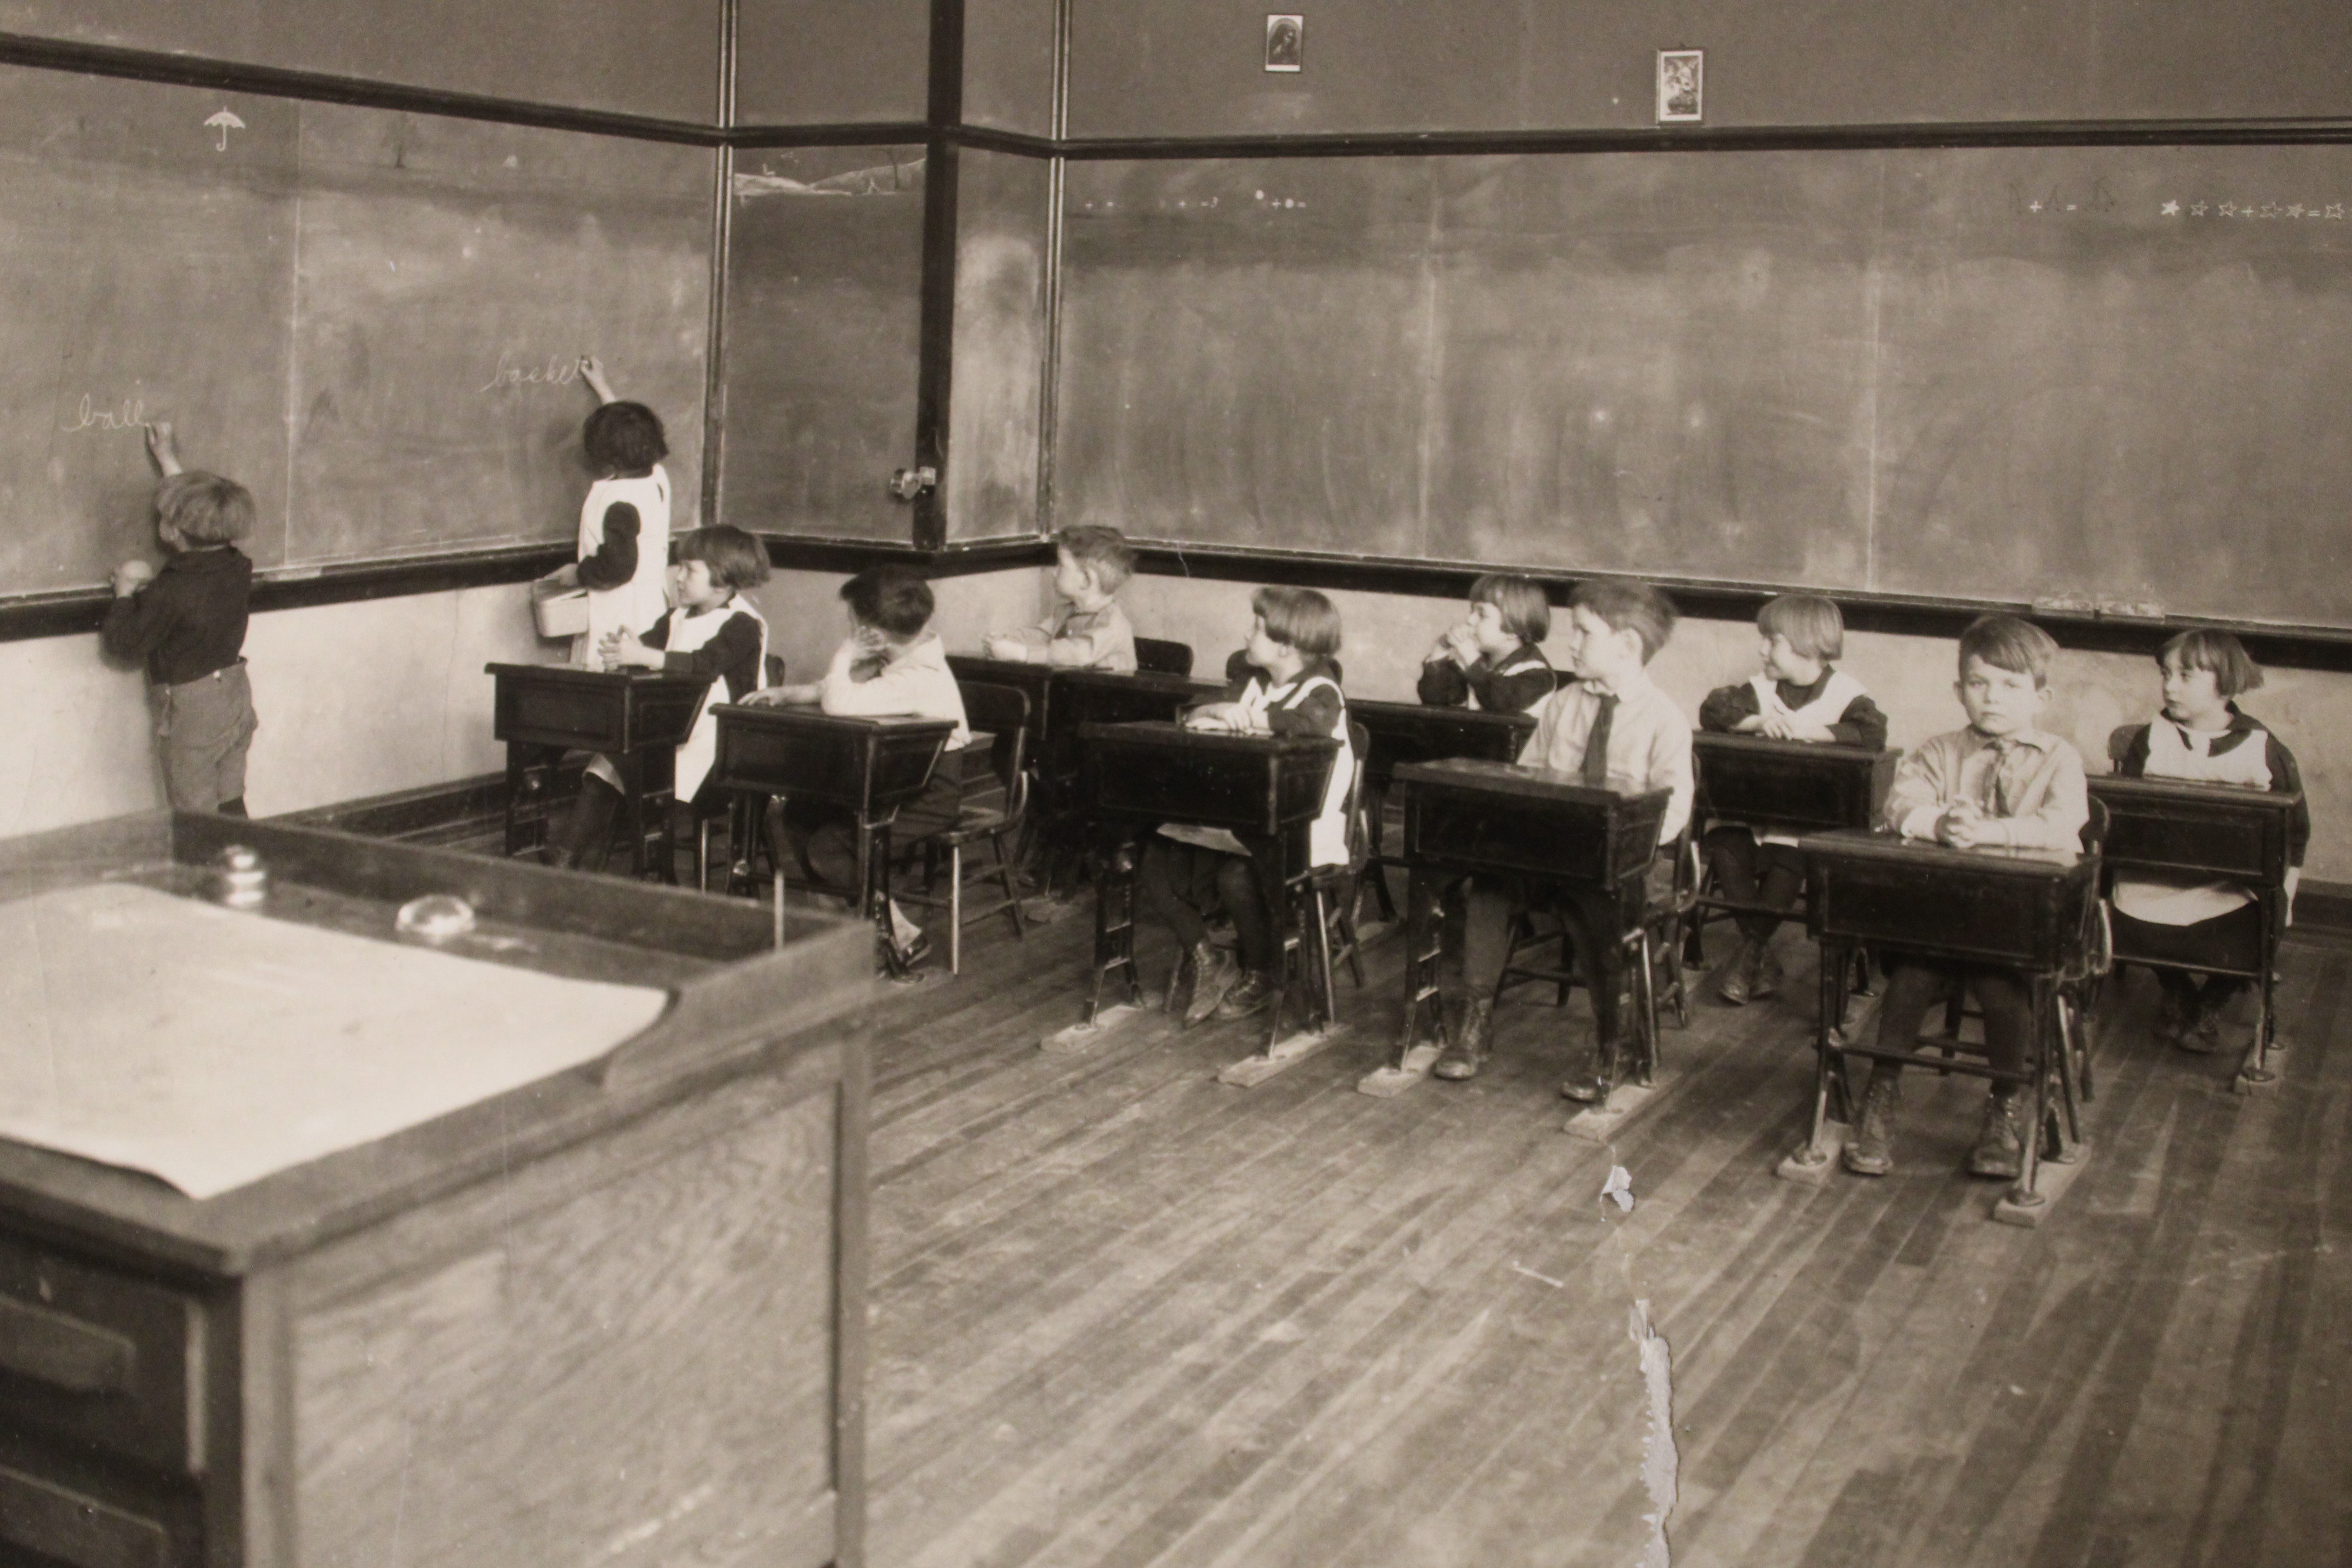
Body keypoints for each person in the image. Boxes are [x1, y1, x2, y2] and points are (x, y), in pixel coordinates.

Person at [1846, 615, 2089, 1180]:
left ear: (2039, 695)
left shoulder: (2058, 758)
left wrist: (1993, 832)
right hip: (1941, 916)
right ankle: (1882, 1090)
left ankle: (2005, 1103)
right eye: (1978, 683)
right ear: (1959, 690)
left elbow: (2062, 824)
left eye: (2009, 685)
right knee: (1908, 976)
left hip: (2017, 926)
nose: (1991, 698)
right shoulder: (1938, 751)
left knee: (2000, 986)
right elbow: (1898, 806)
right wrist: (1940, 821)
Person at [1433, 580, 1692, 1093]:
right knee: (1488, 886)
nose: (1570, 643)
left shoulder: (1663, 719)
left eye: (1583, 632)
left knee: (1599, 906)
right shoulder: (1563, 703)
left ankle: (1610, 1040)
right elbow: (1530, 777)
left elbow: (1673, 809)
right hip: (1549, 855)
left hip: (1620, 866)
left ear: (1626, 646)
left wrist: (1618, 849)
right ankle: (1475, 1021)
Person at [1139, 587, 1351, 1026]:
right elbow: (1192, 714)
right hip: (1242, 822)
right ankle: (1208, 957)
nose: (1246, 633)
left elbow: (1310, 723)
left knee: (1236, 875)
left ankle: (1264, 972)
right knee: (1155, 858)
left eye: (1257, 628)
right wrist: (1214, 712)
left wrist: (1251, 719)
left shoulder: (1322, 690)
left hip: (1303, 828)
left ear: (1288, 645)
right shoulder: (1251, 681)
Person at [749, 566, 970, 971]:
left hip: (928, 795)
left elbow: (841, 702)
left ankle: (900, 934)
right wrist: (786, 694)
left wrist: (844, 655)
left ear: (874, 634)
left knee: (831, 846)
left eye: (853, 625)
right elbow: (840, 689)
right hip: (893, 785)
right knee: (801, 814)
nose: (849, 632)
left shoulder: (922, 675)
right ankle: (843, 927)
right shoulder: (903, 657)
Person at [2110, 629, 2308, 1053]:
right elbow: (2124, 819)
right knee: (2129, 916)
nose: (2168, 685)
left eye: (2185, 675)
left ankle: (2208, 1005)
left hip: (2229, 891)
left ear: (2224, 681)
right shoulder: (2149, 740)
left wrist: (2285, 896)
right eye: (2165, 673)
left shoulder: (2263, 749)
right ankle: (2178, 992)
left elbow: (2294, 834)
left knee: (2257, 931)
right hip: (2154, 881)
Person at [1697, 593, 1887, 1004]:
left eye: (1772, 641)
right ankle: (1758, 956)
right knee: (1727, 844)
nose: (1761, 649)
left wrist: (1810, 730)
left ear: (1807, 644)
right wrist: (1760, 721)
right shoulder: (1761, 689)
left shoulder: (1845, 694)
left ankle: (1748, 956)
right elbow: (1713, 710)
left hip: (1807, 820)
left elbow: (1872, 733)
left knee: (1793, 853)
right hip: (1752, 812)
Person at [546, 526, 771, 870]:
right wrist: (625, 649)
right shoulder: (676, 616)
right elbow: (647, 645)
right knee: (607, 761)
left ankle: (654, 868)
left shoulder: (742, 624)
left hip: (722, 748)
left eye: (689, 570)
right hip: (673, 729)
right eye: (678, 567)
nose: (678, 578)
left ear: (722, 582)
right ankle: (566, 855)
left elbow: (703, 665)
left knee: (633, 762)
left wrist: (644, 655)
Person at [101, 421, 259, 815]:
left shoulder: (169, 592)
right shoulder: (236, 565)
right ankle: (245, 870)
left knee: (192, 813)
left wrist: (123, 592)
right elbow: (203, 515)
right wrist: (167, 458)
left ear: (170, 530)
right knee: (229, 798)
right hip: (234, 693)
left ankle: (203, 878)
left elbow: (124, 644)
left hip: (194, 708)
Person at [549, 356, 671, 666]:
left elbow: (618, 567)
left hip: (620, 614)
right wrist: (603, 388)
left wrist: (578, 573)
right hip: (652, 609)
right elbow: (633, 435)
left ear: (603, 454)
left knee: (611, 681)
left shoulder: (619, 500)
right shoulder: (656, 478)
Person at [983, 524, 1138, 672]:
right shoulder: (1065, 612)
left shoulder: (1113, 623)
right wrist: (1007, 640)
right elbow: (1040, 636)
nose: (1054, 572)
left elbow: (1078, 653)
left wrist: (1023, 654)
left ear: (1086, 580)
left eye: (1061, 565)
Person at [1417, 572, 1558, 714]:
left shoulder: (1537, 675)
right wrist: (1440, 650)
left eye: (1482, 615)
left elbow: (1497, 701)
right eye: (1472, 612)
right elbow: (1434, 699)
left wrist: (1471, 659)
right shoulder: (1478, 663)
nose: (1470, 620)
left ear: (1513, 629)